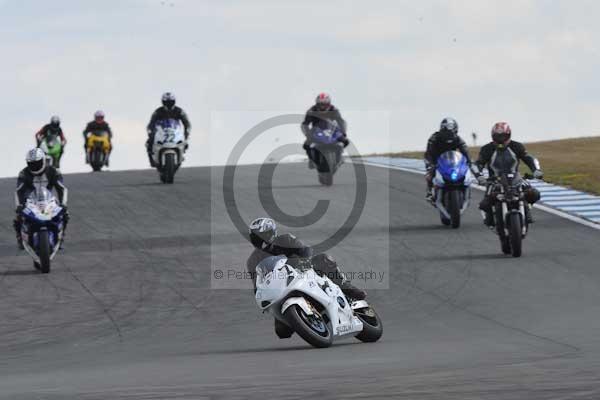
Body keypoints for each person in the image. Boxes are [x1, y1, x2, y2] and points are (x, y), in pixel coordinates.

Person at [246, 217, 366, 300]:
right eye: (256, 237)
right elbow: (257, 284)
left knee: (323, 259)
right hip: (282, 289)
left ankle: (347, 288)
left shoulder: (286, 239)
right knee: (281, 331)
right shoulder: (253, 260)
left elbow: (305, 250)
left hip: (303, 271)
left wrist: (304, 261)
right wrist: (260, 293)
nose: (259, 240)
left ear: (270, 233)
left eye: (261, 236)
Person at [474, 122, 543, 227]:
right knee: (485, 204)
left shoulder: (516, 146)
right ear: (493, 136)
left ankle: (527, 210)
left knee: (534, 194)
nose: (501, 139)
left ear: (508, 135)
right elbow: (478, 163)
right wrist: (479, 176)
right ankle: (491, 218)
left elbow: (529, 158)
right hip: (494, 181)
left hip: (515, 178)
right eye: (498, 136)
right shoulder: (487, 149)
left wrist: (536, 170)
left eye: (503, 136)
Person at [13, 148, 69, 250]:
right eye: (32, 163)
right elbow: (18, 191)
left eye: (37, 163)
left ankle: (61, 237)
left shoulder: (54, 171)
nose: (34, 166)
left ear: (43, 160)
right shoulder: (24, 173)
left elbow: (62, 189)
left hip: (49, 199)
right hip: (30, 200)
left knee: (65, 214)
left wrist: (63, 204)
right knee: (19, 216)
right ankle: (20, 238)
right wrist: (19, 206)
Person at [424, 117, 471, 201]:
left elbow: (464, 150)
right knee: (430, 173)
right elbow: (429, 153)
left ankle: (464, 189)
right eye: (446, 130)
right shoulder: (434, 138)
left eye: (450, 130)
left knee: (464, 171)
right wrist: (430, 164)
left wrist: (468, 160)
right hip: (436, 159)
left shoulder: (457, 138)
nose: (448, 133)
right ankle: (429, 191)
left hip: (451, 159)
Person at [301, 93, 349, 169]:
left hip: (331, 130)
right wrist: (308, 134)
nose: (322, 107)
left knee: (345, 141)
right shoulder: (311, 111)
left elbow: (341, 121)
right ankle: (311, 160)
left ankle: (339, 157)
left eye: (324, 104)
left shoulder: (334, 110)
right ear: (317, 104)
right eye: (320, 104)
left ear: (328, 103)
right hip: (316, 131)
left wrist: (343, 132)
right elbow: (305, 124)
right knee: (306, 145)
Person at [146, 92, 191, 167]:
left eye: (170, 102)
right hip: (162, 130)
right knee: (148, 143)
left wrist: (187, 132)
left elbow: (186, 122)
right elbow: (151, 122)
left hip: (174, 130)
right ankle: (151, 159)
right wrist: (150, 131)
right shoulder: (158, 111)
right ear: (163, 102)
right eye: (166, 102)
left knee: (185, 142)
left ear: (174, 102)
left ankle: (182, 152)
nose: (168, 104)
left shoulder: (179, 111)